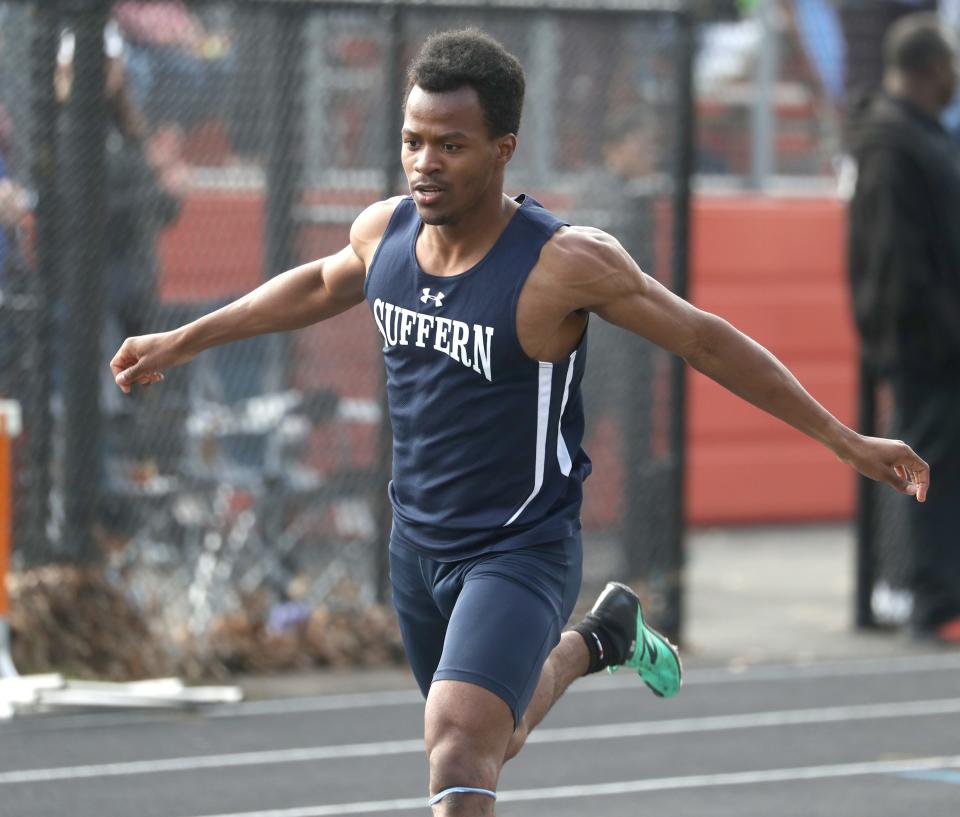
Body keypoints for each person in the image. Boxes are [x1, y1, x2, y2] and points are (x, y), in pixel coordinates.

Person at [112, 29, 929, 815]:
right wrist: (182, 340)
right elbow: (318, 284)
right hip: (416, 545)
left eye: (451, 145)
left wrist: (843, 439)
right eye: (413, 140)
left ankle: (580, 639)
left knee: (460, 750)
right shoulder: (385, 231)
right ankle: (597, 640)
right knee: (489, 738)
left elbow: (705, 341)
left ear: (503, 148)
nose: (425, 164)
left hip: (518, 544)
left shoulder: (564, 262)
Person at [847, 13, 960, 643]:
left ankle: (934, 594)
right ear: (934, 69)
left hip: (933, 340)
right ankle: (931, 602)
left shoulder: (914, 134)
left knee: (938, 463)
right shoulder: (894, 142)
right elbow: (900, 263)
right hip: (928, 347)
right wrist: (942, 334)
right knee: (929, 466)